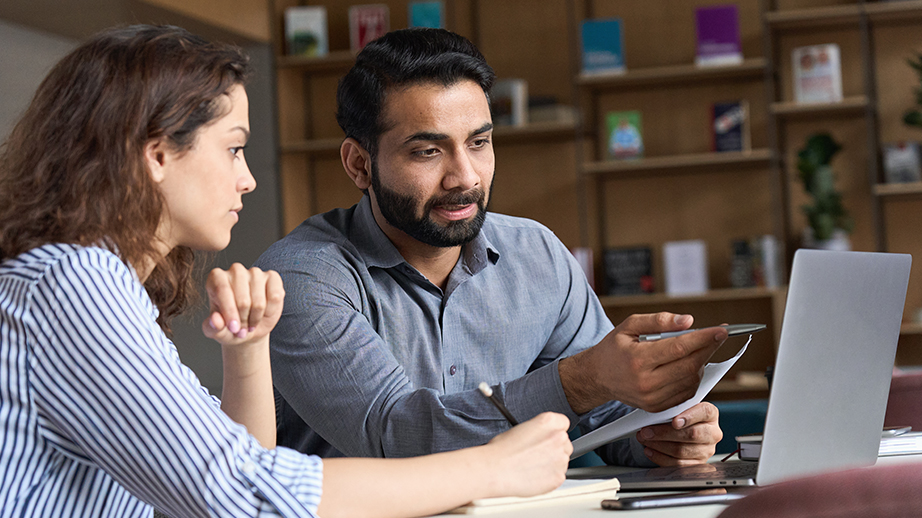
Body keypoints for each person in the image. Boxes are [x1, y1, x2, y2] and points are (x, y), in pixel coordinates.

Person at [0, 25, 574, 518]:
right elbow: (242, 493)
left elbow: (230, 477)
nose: (247, 179)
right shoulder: (70, 284)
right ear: (156, 156)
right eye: (232, 149)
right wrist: (489, 468)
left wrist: (247, 352)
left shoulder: (96, 285)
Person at [256, 27, 726, 468]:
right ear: (360, 164)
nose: (466, 177)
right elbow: (396, 436)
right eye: (428, 151)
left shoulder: (536, 254)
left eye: (478, 142)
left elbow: (609, 421)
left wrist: (666, 434)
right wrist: (583, 379)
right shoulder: (301, 277)